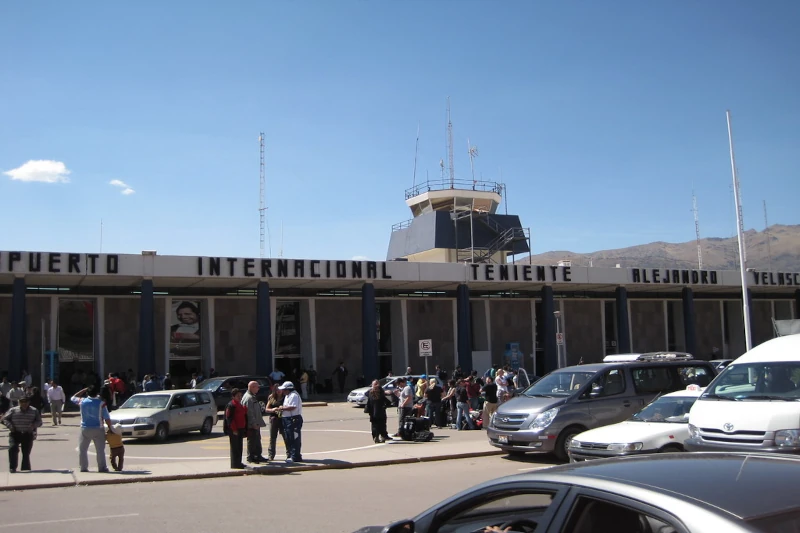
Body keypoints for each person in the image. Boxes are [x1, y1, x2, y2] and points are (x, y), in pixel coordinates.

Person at [71, 386, 114, 472]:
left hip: (85, 428)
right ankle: (102, 467)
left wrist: (83, 390)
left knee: (83, 449)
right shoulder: (101, 403)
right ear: (97, 393)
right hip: (98, 428)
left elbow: (72, 398)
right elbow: (107, 418)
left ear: (87, 393)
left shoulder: (82, 401)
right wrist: (111, 428)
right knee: (100, 450)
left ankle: (83, 467)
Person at [1, 395, 42, 472]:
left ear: (28, 402)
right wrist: (10, 426)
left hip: (27, 434)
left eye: (25, 402)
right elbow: (4, 419)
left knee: (26, 453)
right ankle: (12, 467)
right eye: (21, 402)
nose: (24, 403)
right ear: (19, 402)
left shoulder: (34, 410)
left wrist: (33, 425)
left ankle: (25, 469)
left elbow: (39, 421)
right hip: (15, 433)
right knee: (12, 448)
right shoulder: (13, 410)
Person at [276, 381, 303, 463]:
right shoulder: (288, 395)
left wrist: (282, 408)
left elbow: (292, 407)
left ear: (288, 389)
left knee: (294, 437)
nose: (283, 391)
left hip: (293, 419)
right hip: (287, 419)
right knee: (289, 438)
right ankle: (293, 455)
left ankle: (295, 456)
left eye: (284, 389)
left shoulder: (294, 395)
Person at [241, 381, 268, 464]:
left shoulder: (252, 396)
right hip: (252, 424)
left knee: (256, 439)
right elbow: (249, 412)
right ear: (252, 387)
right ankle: (251, 457)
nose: (258, 388)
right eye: (257, 387)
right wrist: (253, 423)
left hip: (255, 423)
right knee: (252, 440)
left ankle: (257, 455)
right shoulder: (249, 398)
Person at [224, 388, 247, 469]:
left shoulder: (239, 404)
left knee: (239, 446)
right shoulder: (231, 405)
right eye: (238, 396)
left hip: (240, 428)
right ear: (233, 396)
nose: (240, 397)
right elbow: (229, 418)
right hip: (234, 429)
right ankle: (235, 464)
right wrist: (234, 429)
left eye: (241, 395)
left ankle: (239, 462)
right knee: (235, 447)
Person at [264, 384, 286, 461]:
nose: (278, 391)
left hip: (283, 419)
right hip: (274, 419)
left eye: (280, 389)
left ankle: (289, 454)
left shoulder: (285, 397)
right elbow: (266, 409)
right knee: (272, 438)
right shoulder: (272, 397)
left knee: (285, 436)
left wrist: (283, 408)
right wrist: (273, 409)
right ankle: (271, 455)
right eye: (277, 390)